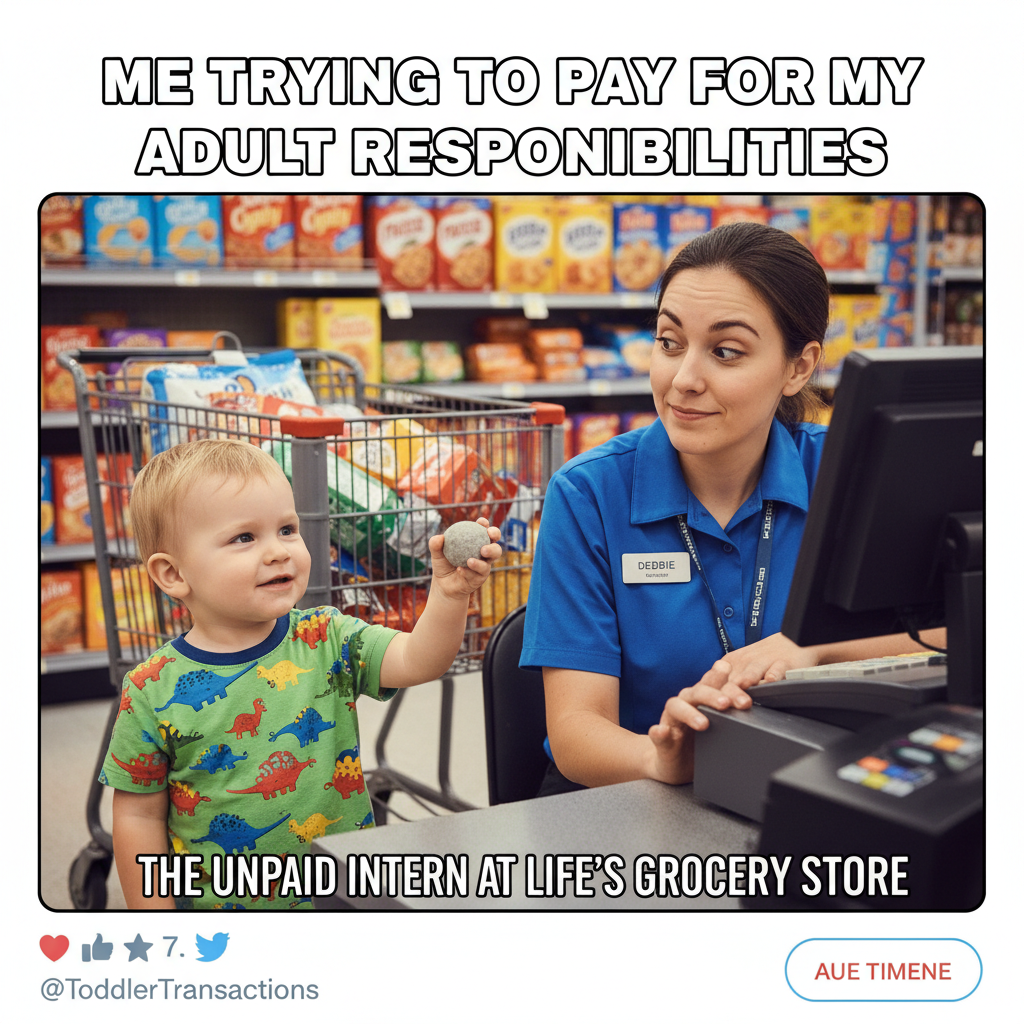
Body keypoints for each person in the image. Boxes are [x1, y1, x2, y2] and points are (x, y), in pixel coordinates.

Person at [520, 221, 943, 795]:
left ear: (799, 367)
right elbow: (575, 733)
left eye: (725, 351)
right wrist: (660, 758)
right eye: (669, 344)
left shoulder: (848, 479)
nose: (684, 379)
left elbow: (954, 630)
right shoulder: (589, 494)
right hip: (631, 798)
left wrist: (813, 647)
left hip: (809, 785)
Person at [101, 437, 500, 909]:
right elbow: (138, 820)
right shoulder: (149, 689)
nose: (278, 551)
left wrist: (450, 595)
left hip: (345, 901)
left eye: (287, 529)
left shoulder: (327, 636)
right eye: (244, 538)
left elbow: (419, 659)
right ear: (172, 574)